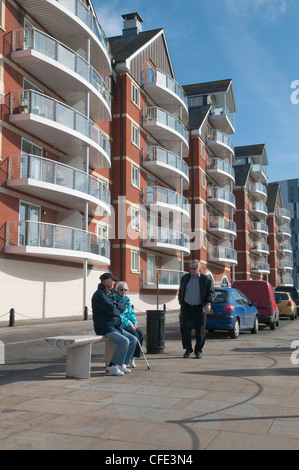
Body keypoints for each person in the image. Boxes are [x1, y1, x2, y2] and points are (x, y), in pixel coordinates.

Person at [91, 272, 137, 376]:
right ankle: (112, 366)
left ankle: (121, 364)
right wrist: (115, 306)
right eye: (113, 281)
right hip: (105, 327)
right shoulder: (99, 294)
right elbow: (113, 310)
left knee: (133, 339)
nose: (114, 283)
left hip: (115, 326)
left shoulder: (110, 293)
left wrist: (115, 305)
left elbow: (122, 306)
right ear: (107, 282)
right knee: (124, 341)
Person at [178, 260, 214, 359]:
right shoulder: (185, 278)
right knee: (185, 327)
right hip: (187, 307)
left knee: (200, 329)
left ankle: (198, 350)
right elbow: (181, 291)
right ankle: (188, 349)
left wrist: (208, 304)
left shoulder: (205, 279)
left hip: (199, 307)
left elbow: (211, 293)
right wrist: (181, 302)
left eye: (194, 268)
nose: (193, 270)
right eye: (191, 268)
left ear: (199, 268)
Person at [115, 281, 145, 368]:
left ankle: (133, 358)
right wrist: (130, 323)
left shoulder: (127, 300)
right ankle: (126, 359)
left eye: (125, 290)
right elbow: (119, 316)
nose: (123, 291)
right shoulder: (116, 300)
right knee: (134, 335)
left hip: (130, 323)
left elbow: (131, 313)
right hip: (122, 324)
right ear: (117, 290)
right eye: (121, 290)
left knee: (141, 334)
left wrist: (135, 322)